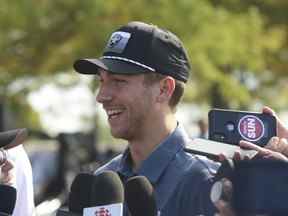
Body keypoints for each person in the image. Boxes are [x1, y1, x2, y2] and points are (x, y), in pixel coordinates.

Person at [74, 21, 219, 215]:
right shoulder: (102, 180)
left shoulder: (206, 182)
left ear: (164, 89)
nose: (102, 96)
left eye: (119, 81)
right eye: (102, 80)